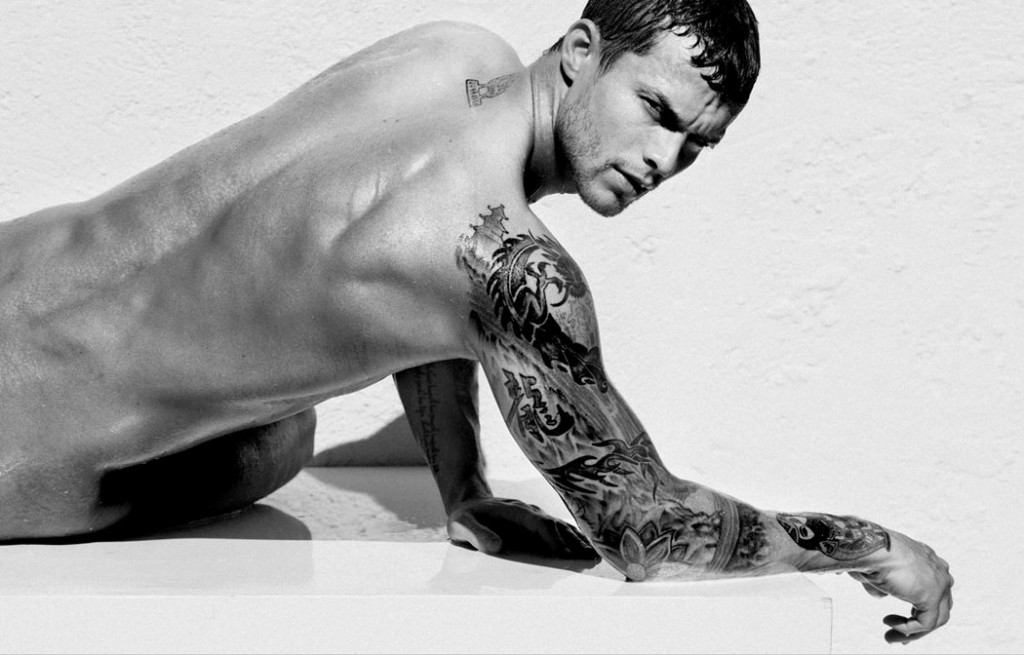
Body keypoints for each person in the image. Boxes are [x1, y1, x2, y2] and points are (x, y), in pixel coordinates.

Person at [0, 0, 951, 643]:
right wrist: (869, 544)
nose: (665, 159)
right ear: (582, 53)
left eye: (696, 145)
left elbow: (415, 273)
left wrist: (462, 485)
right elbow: (648, 531)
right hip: (18, 441)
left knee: (279, 431)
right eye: (657, 110)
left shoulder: (456, 59)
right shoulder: (516, 267)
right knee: (275, 446)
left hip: (21, 262)